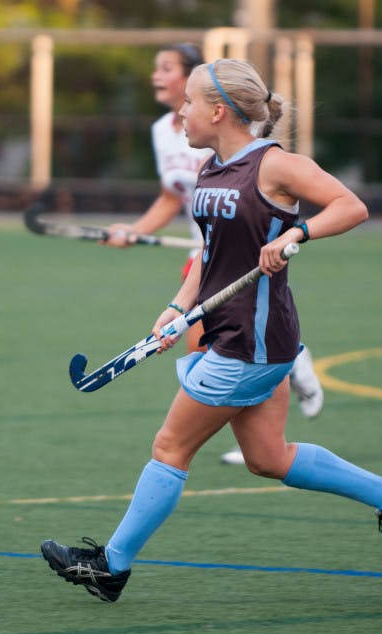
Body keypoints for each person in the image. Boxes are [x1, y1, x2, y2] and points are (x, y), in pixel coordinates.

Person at [41, 58, 382, 603]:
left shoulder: (275, 166)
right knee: (268, 457)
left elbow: (352, 206)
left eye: (190, 103)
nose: (181, 112)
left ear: (218, 111)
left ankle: (111, 566)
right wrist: (177, 306)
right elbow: (209, 254)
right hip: (233, 332)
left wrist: (297, 233)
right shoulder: (210, 170)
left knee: (170, 446)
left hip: (253, 342)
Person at [102, 44, 324, 468]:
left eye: (166, 69)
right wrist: (134, 232)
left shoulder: (240, 142)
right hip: (203, 255)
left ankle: (288, 367)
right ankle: (263, 428)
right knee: (210, 345)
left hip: (238, 256)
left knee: (217, 353)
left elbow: (282, 194)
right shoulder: (162, 132)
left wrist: (297, 231)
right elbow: (173, 198)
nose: (156, 76)